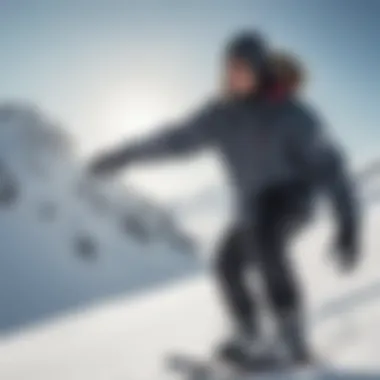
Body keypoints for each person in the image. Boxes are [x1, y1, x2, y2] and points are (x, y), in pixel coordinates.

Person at [88, 31, 360, 367]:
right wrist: (124, 156)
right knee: (226, 264)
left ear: (261, 69)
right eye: (229, 68)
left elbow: (331, 167)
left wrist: (348, 223)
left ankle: (291, 341)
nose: (234, 75)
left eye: (242, 67)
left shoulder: (292, 115)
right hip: (253, 208)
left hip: (292, 199)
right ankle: (250, 335)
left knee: (265, 238)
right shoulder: (221, 114)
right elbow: (174, 139)